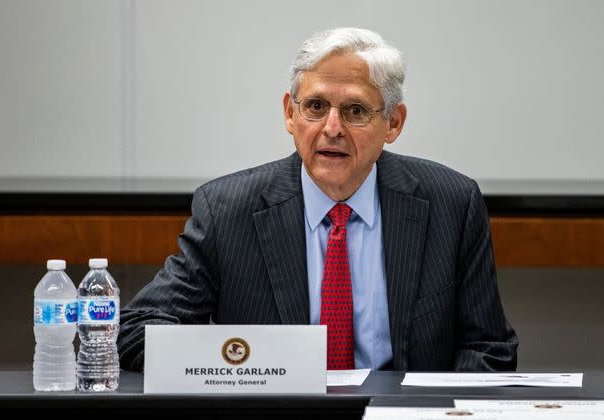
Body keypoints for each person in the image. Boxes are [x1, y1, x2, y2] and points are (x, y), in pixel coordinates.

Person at [118, 27, 518, 372]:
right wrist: (237, 363)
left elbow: (488, 348)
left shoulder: (451, 204)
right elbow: (138, 330)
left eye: (355, 110)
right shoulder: (227, 211)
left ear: (393, 123)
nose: (332, 128)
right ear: (290, 114)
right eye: (315, 106)